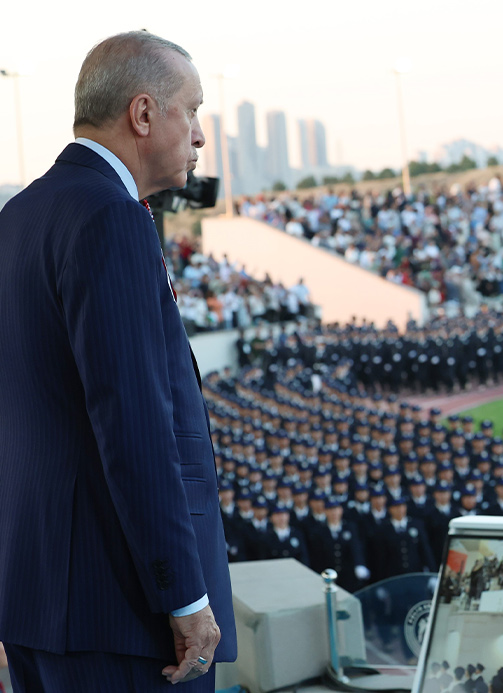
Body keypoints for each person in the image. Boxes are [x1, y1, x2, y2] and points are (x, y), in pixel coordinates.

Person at [0, 31, 232, 688]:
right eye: (192, 110)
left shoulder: (17, 217)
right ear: (143, 113)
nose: (200, 136)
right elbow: (133, 426)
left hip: (36, 600)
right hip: (123, 616)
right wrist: (183, 597)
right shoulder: (113, 217)